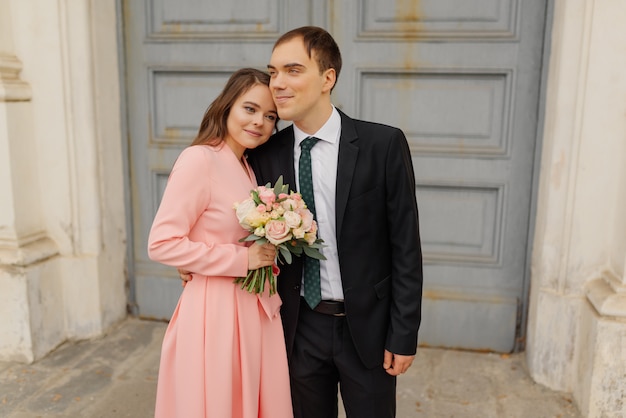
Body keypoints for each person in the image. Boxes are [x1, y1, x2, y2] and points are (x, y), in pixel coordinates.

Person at [183, 26, 423, 418]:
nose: (277, 83)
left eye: (292, 70)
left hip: (369, 328)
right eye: (273, 71)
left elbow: (406, 249)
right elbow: (222, 211)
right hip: (296, 329)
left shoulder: (382, 145)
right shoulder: (264, 155)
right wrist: (191, 255)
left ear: (327, 78)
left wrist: (404, 332)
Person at [147, 68, 293, 418]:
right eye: (250, 109)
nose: (260, 121)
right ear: (227, 106)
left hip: (254, 307)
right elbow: (162, 243)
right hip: (215, 312)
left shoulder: (249, 166)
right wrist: (241, 259)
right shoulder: (200, 159)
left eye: (270, 116)